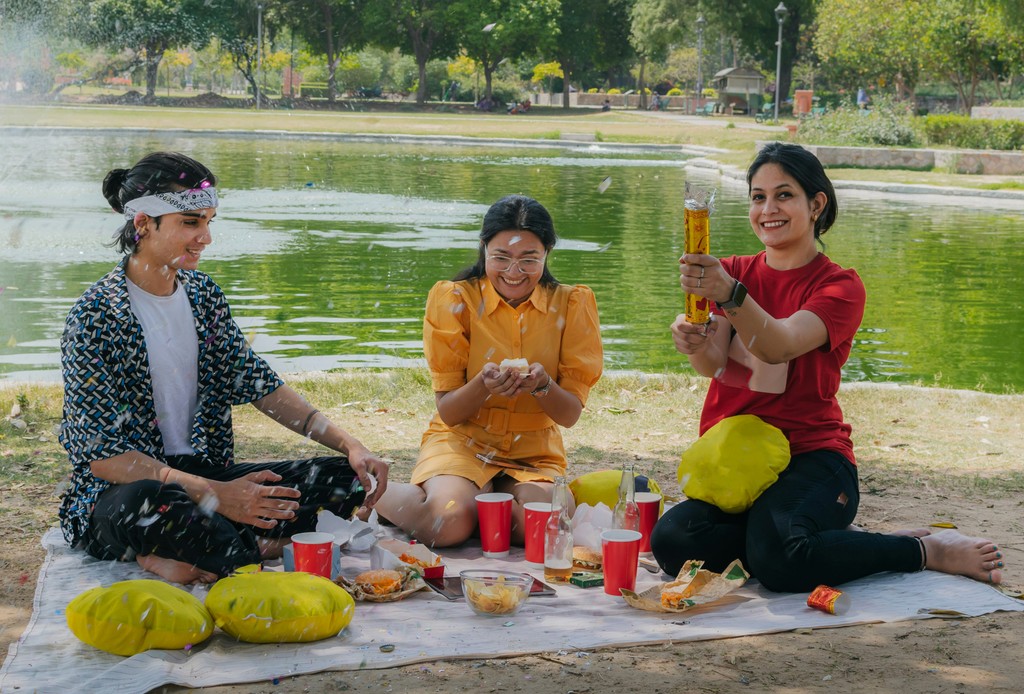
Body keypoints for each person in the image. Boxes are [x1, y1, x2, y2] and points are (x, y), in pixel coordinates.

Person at [652, 142, 1005, 592]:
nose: (768, 209)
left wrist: (729, 294)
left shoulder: (839, 286)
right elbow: (714, 365)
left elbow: (779, 346)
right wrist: (692, 339)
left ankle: (925, 550)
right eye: (758, 197)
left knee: (779, 559)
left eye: (784, 195)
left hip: (813, 458)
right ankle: (825, 542)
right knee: (673, 542)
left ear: (816, 204)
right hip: (740, 463)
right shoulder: (736, 269)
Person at [58, 152, 389, 584]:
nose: (206, 238)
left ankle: (208, 549)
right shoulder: (96, 315)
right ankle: (249, 545)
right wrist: (215, 495)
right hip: (128, 491)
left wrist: (350, 445)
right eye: (191, 223)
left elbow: (260, 384)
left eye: (210, 221)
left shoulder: (203, 296)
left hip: (201, 471)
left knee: (341, 479)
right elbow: (104, 458)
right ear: (143, 224)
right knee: (145, 504)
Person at [373, 195, 603, 547]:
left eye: (529, 259)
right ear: (483, 249)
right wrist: (483, 385)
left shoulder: (572, 304)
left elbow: (569, 414)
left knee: (539, 529)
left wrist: (543, 385)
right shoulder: (455, 299)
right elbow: (449, 412)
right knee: (444, 522)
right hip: (463, 442)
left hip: (533, 451)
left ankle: (480, 507)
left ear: (547, 254)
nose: (514, 273)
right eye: (501, 257)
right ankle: (379, 493)